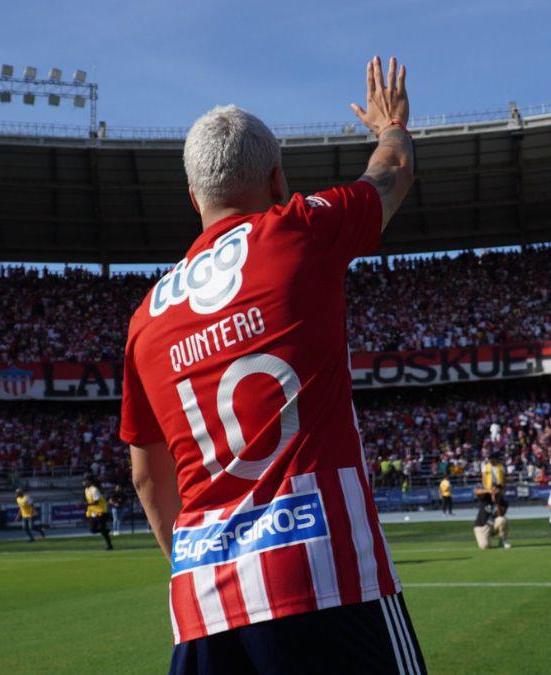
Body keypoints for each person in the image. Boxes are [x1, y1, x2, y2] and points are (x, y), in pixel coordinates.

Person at [123, 56, 422, 674]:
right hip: (324, 578)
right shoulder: (299, 230)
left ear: (192, 197)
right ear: (278, 178)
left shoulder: (145, 319)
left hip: (203, 606)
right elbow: (390, 171)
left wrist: (202, 564)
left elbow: (149, 482)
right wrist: (391, 125)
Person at [83, 476, 113, 550]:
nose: (83, 483)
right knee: (93, 529)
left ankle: (109, 546)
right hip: (94, 512)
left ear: (89, 481)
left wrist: (87, 504)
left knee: (102, 529)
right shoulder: (86, 490)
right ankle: (106, 531)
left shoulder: (94, 489)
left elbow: (96, 501)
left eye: (85, 481)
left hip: (101, 511)